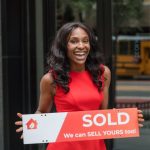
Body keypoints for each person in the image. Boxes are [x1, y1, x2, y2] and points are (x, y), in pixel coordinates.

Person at [15, 22, 144, 150]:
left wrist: (123, 120)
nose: (81, 46)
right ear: (64, 46)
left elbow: (102, 114)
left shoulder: (103, 73)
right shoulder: (50, 79)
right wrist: (31, 124)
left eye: (85, 41)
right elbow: (42, 111)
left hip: (95, 146)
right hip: (63, 146)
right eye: (74, 41)